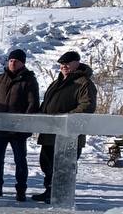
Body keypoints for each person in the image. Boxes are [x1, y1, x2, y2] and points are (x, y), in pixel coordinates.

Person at [30, 51, 97, 202]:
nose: (64, 66)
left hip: (68, 134)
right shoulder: (57, 82)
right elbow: (47, 103)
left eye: (67, 63)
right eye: (61, 64)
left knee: (64, 166)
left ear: (77, 63)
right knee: (47, 163)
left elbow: (87, 106)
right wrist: (40, 116)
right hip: (49, 132)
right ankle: (50, 191)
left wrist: (64, 118)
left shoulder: (84, 83)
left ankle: (61, 195)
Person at [0, 49, 40, 201]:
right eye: (11, 60)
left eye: (16, 61)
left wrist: (25, 124)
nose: (13, 63)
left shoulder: (29, 80)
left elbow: (33, 104)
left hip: (18, 130)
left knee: (20, 160)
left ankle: (21, 190)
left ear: (22, 63)